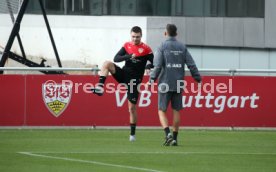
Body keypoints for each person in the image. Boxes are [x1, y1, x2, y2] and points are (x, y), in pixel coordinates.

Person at [91, 26, 154, 142]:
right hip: (123, 75)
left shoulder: (146, 49)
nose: (135, 39)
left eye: (137, 37)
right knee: (107, 63)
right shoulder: (127, 46)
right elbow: (116, 58)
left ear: (141, 36)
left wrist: (149, 66)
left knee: (132, 108)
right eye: (133, 36)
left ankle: (132, 135)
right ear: (131, 36)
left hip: (134, 81)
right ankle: (100, 87)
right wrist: (129, 56)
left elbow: (155, 63)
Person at [149, 24, 201, 146]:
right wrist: (197, 78)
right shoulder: (182, 47)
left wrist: (151, 80)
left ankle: (168, 135)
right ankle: (175, 139)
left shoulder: (162, 46)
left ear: (165, 33)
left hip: (165, 83)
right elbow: (191, 65)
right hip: (178, 83)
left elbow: (157, 66)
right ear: (176, 34)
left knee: (161, 110)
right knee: (176, 110)